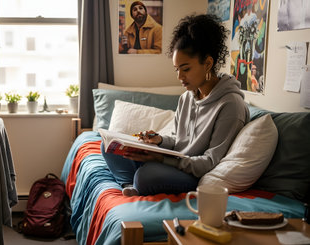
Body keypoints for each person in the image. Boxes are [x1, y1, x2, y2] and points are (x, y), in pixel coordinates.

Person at [102, 14, 250, 196]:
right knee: (108, 145)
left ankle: (137, 183)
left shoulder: (230, 105)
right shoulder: (186, 97)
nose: (180, 77)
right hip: (172, 164)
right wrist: (159, 140)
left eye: (186, 69)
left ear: (208, 63)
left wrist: (162, 160)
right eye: (177, 69)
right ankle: (128, 185)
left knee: (146, 175)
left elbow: (211, 162)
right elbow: (178, 141)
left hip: (193, 173)